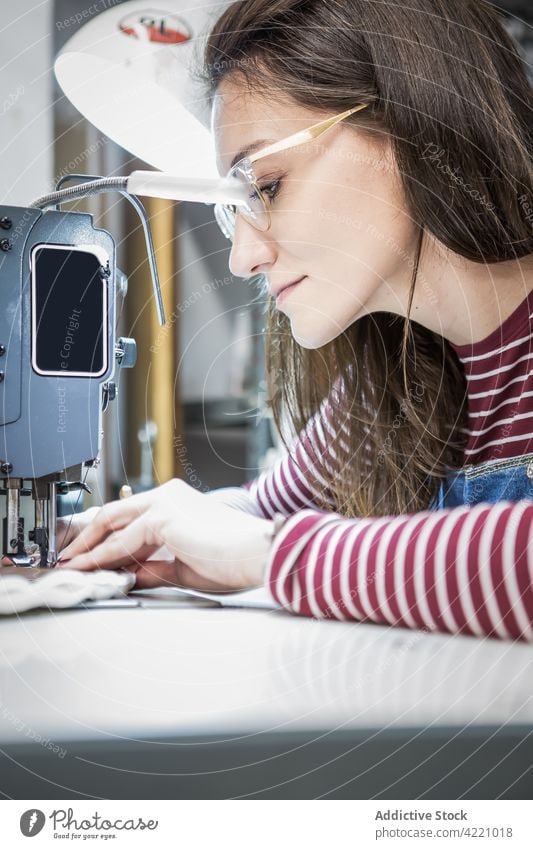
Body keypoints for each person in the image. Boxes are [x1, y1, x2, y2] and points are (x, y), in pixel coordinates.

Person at [59, 0, 533, 642]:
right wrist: (115, 533)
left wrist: (270, 555)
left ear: (412, 119)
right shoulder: (393, 384)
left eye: (268, 185)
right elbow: (258, 510)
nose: (243, 257)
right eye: (236, 207)